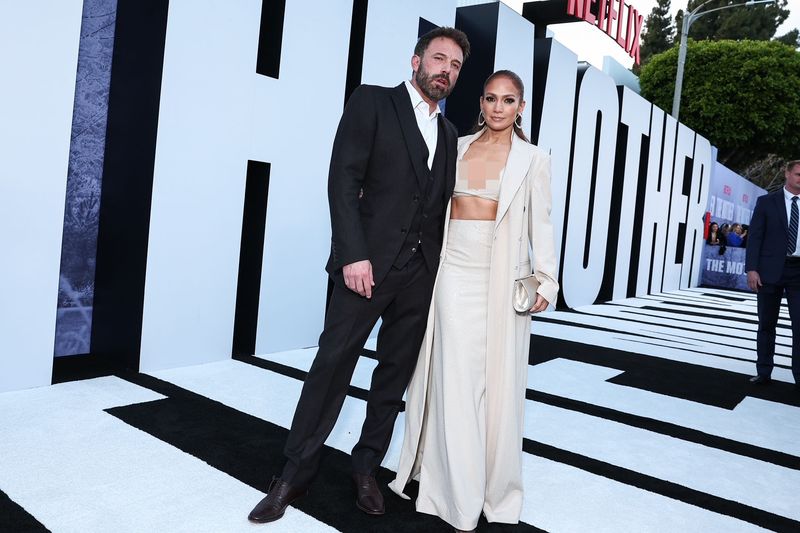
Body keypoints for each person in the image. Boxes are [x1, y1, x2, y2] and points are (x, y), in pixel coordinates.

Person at [247, 27, 470, 524]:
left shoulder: (451, 135)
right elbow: (342, 178)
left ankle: (366, 467)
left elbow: (436, 207)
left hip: (419, 275)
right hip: (364, 267)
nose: (445, 71)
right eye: (438, 59)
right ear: (415, 62)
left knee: (392, 378)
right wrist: (353, 254)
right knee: (332, 367)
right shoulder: (372, 102)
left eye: (454, 66)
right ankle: (292, 474)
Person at [389, 70, 559, 532]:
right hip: (453, 272)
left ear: (521, 106)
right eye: (490, 98)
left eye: (508, 100)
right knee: (455, 379)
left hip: (500, 275)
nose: (498, 107)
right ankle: (453, 492)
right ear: (480, 103)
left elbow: (540, 224)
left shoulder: (533, 159)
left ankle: (485, 486)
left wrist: (546, 280)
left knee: (492, 386)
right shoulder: (457, 146)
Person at [746, 159, 800, 388]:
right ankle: (764, 371)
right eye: (798, 173)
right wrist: (752, 269)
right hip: (769, 271)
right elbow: (755, 237)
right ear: (787, 173)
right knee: (767, 324)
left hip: (799, 272)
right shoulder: (767, 202)